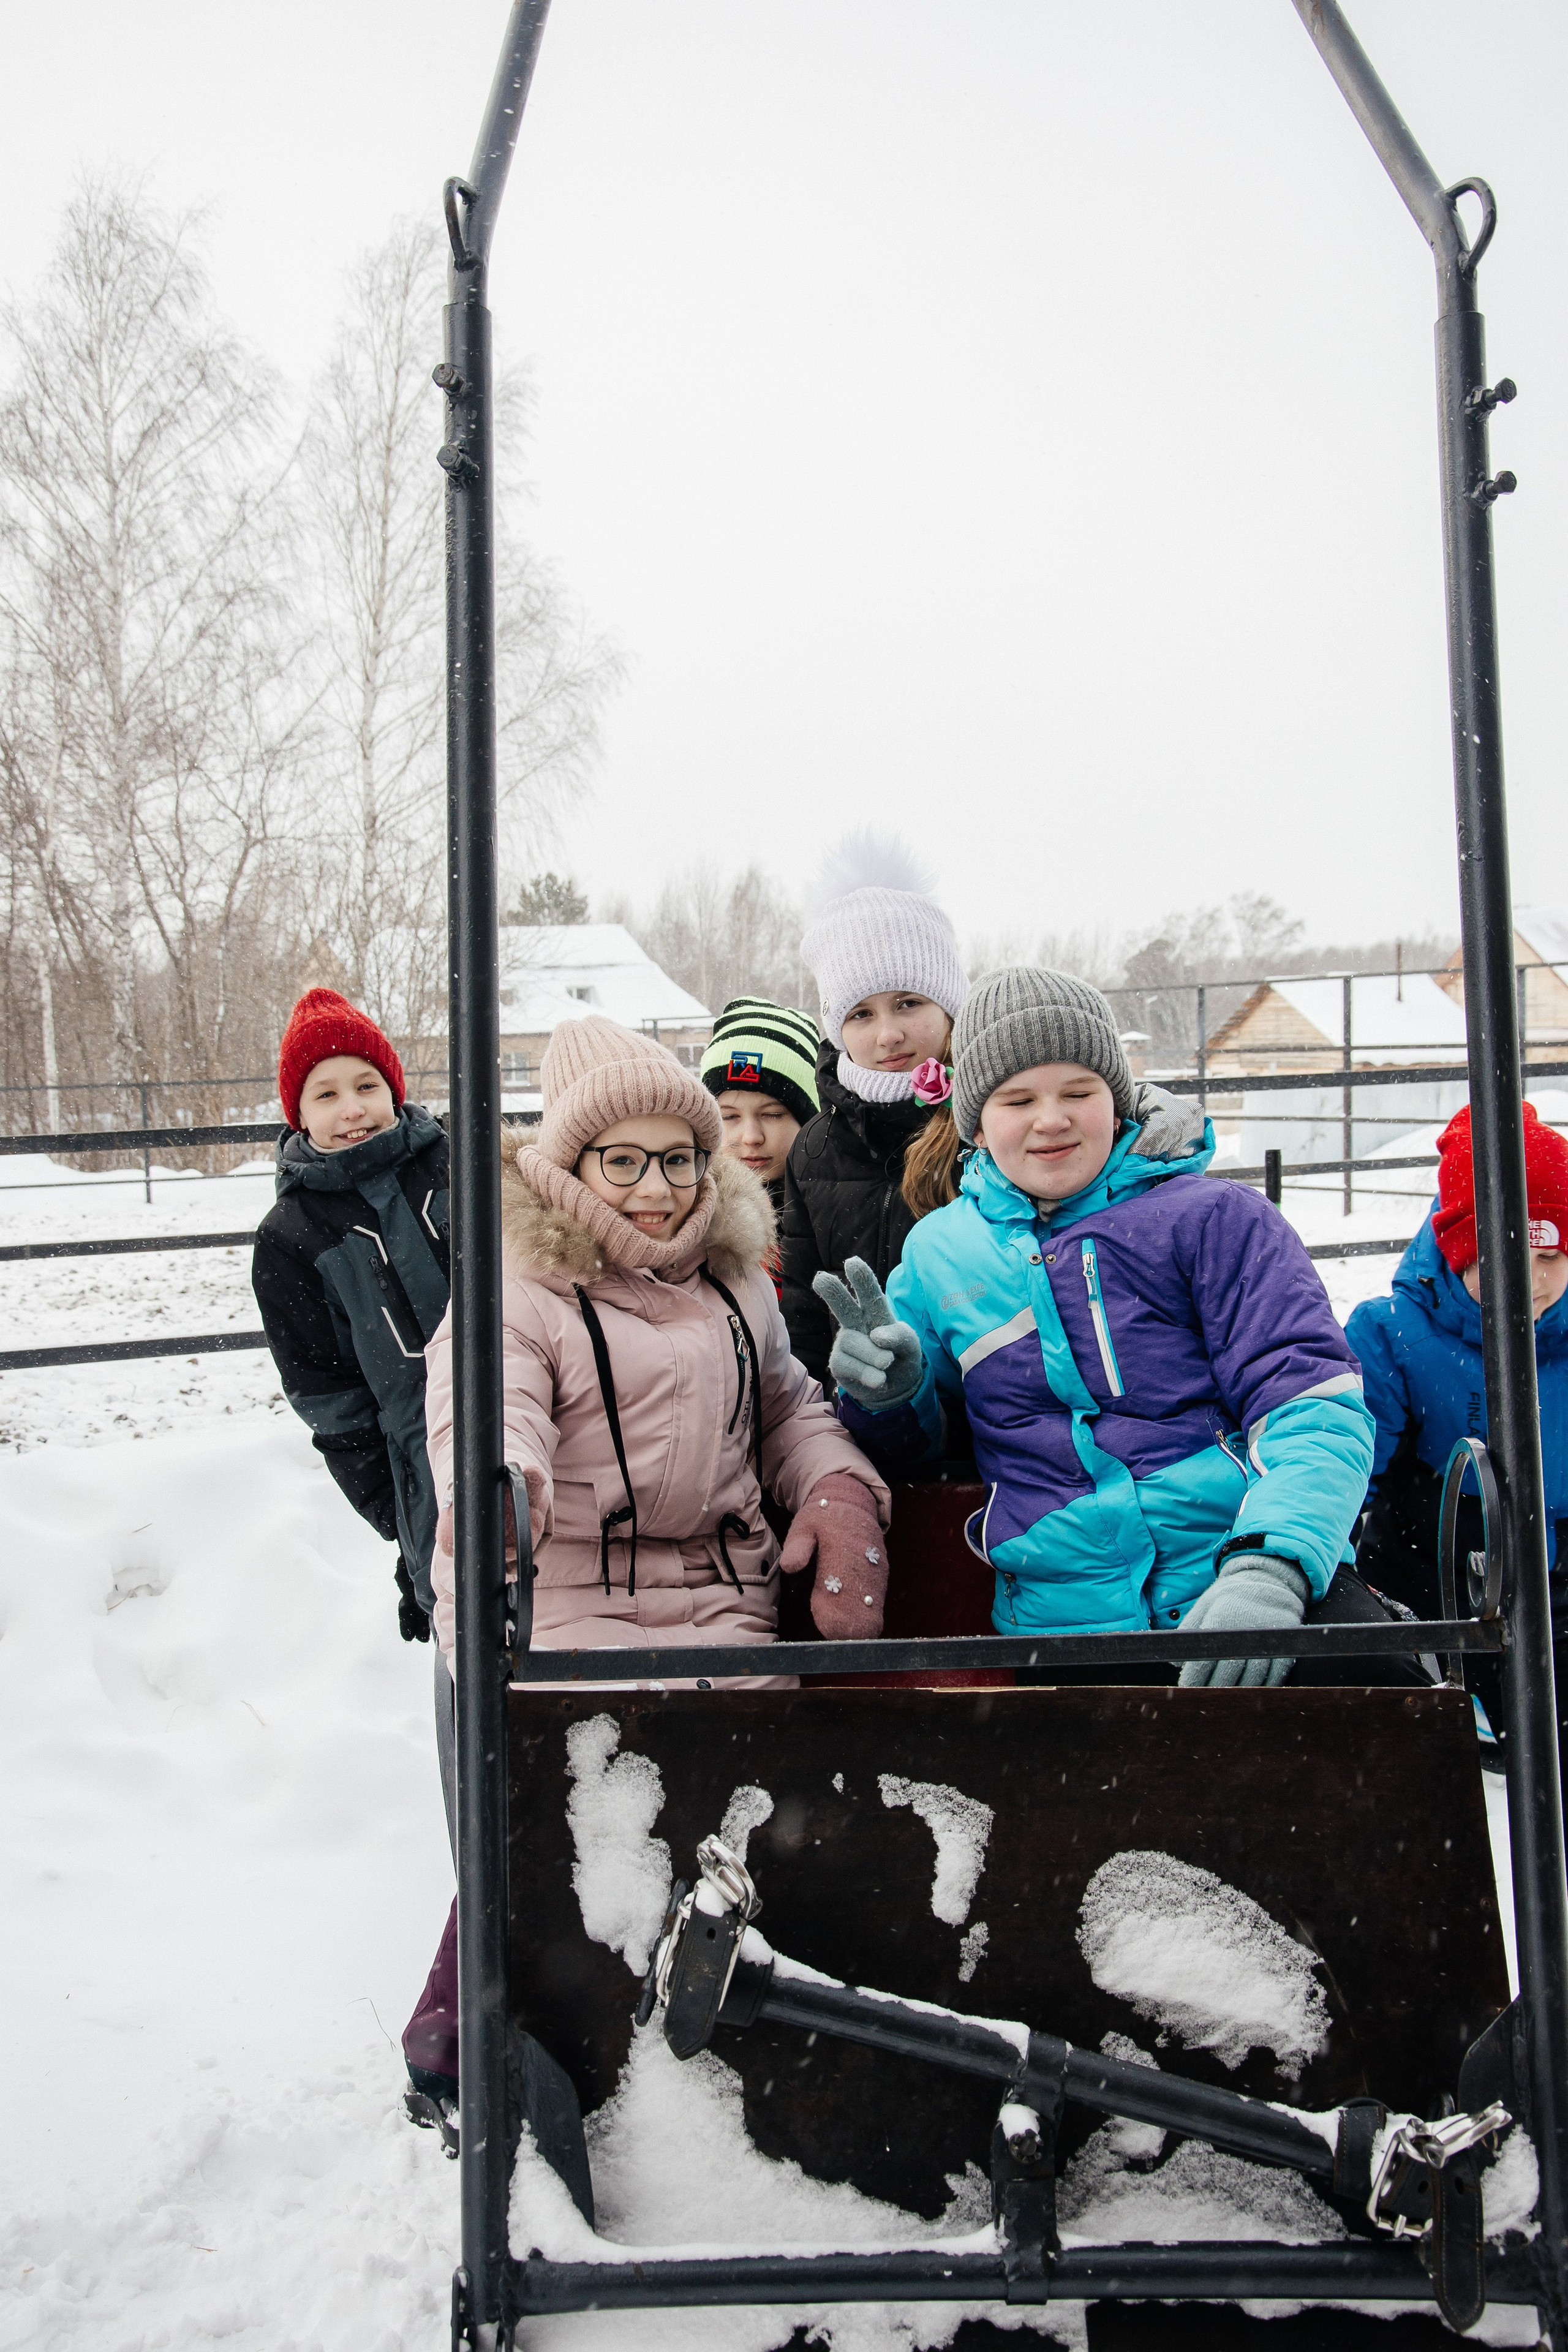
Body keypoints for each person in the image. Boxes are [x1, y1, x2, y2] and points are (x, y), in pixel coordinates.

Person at [403, 1017, 891, 2146]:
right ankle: (506, 2032)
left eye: (679, 1158)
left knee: (760, 1808)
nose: (658, 1189)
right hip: (566, 1591)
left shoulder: (737, 1286)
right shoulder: (517, 1297)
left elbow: (788, 1409)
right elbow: (488, 1409)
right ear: (569, 1169)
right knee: (594, 1812)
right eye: (622, 1161)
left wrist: (837, 1492)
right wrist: (501, 1490)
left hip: (724, 1593)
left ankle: (751, 2036)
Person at [816, 966, 1389, 1689]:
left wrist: (1267, 1569)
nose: (1049, 1119)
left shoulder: (1213, 1222)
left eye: (1077, 1093)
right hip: (1065, 1628)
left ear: (1115, 1102)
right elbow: (917, 1452)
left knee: (1376, 1740)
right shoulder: (938, 1257)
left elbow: (1312, 1407)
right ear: (974, 1118)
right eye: (1016, 1099)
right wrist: (889, 1394)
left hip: (1234, 1579)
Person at [1347, 1101, 1568, 1759]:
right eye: (1498, 1258)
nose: (1529, 1281)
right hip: (1437, 1579)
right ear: (1454, 1252)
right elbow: (1353, 1466)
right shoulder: (1392, 1335)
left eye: (1550, 1255)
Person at [252, 988, 450, 1646]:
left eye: (366, 1084)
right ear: (298, 1113)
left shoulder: (461, 1169)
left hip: (538, 1426)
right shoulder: (293, 1236)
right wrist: (397, 1511)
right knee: (469, 1641)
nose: (352, 1108)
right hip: (426, 1473)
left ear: (393, 1090)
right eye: (326, 1094)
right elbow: (329, 1400)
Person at [781, 882, 972, 1386]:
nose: (888, 1034)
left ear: (949, 1006)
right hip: (859, 1410)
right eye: (861, 1013)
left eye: (908, 1003)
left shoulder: (988, 1126)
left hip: (989, 1409)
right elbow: (803, 1306)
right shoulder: (815, 1148)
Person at [701, 995, 822, 1297]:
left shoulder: (832, 1208)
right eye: (729, 1116)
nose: (751, 1137)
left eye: (772, 1114)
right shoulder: (688, 1214)